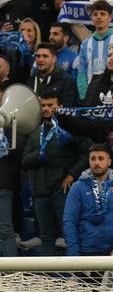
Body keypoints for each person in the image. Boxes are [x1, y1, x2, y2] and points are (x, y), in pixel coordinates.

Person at [21, 90, 90, 256]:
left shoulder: (70, 128)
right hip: (40, 192)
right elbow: (24, 161)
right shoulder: (35, 131)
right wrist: (39, 155)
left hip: (62, 190)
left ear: (60, 106)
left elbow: (89, 152)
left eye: (50, 105)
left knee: (69, 235)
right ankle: (48, 280)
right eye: (43, 105)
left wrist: (72, 174)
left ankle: (74, 278)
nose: (46, 108)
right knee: (46, 237)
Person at [63, 144, 113, 257]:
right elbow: (69, 222)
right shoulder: (78, 188)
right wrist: (74, 256)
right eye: (93, 159)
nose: (96, 162)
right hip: (85, 252)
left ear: (109, 162)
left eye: (101, 158)